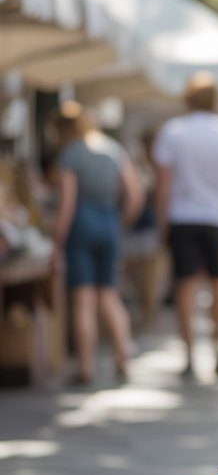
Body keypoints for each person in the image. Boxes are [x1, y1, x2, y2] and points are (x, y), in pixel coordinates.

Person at [152, 73, 218, 379]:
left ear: (187, 98)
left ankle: (188, 355)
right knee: (216, 285)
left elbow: (163, 186)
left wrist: (161, 224)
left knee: (184, 286)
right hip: (217, 217)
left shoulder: (173, 132)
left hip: (182, 216)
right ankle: (217, 353)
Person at [51, 100, 143, 384]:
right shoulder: (113, 149)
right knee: (109, 295)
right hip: (109, 223)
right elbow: (134, 194)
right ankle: (122, 358)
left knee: (83, 300)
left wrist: (57, 242)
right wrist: (120, 222)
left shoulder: (70, 155)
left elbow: (67, 204)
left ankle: (86, 367)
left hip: (81, 225)